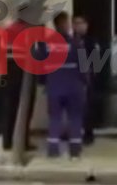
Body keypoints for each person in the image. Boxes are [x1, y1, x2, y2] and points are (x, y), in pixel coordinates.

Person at [39, 12, 87, 159]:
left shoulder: (46, 44)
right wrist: (85, 82)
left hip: (54, 87)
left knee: (55, 118)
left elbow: (40, 67)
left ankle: (53, 149)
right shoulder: (76, 43)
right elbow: (83, 66)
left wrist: (44, 83)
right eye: (68, 22)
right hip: (73, 87)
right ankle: (75, 149)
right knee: (75, 117)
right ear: (65, 24)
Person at [0, 4, 38, 153]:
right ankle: (22, 141)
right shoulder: (29, 31)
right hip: (23, 73)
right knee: (25, 108)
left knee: (9, 108)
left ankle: (7, 141)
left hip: (8, 72)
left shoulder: (8, 29)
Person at [72, 15, 100, 145]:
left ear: (86, 25)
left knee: (87, 107)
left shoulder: (91, 41)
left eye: (81, 23)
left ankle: (88, 134)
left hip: (87, 78)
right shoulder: (70, 40)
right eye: (76, 23)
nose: (78, 26)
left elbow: (96, 62)